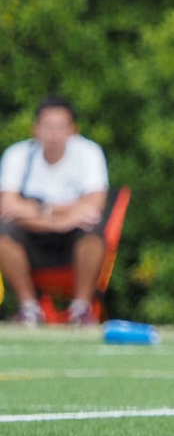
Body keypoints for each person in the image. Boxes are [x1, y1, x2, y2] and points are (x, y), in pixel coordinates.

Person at [0, 95, 109, 326]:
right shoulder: (17, 155)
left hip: (71, 241)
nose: (54, 134)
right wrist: (64, 216)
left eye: (61, 127)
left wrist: (35, 209)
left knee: (94, 230)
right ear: (35, 129)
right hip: (32, 240)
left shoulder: (89, 153)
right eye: (48, 126)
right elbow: (8, 205)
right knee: (3, 231)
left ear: (73, 130)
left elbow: (94, 205)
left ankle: (81, 309)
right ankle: (28, 309)